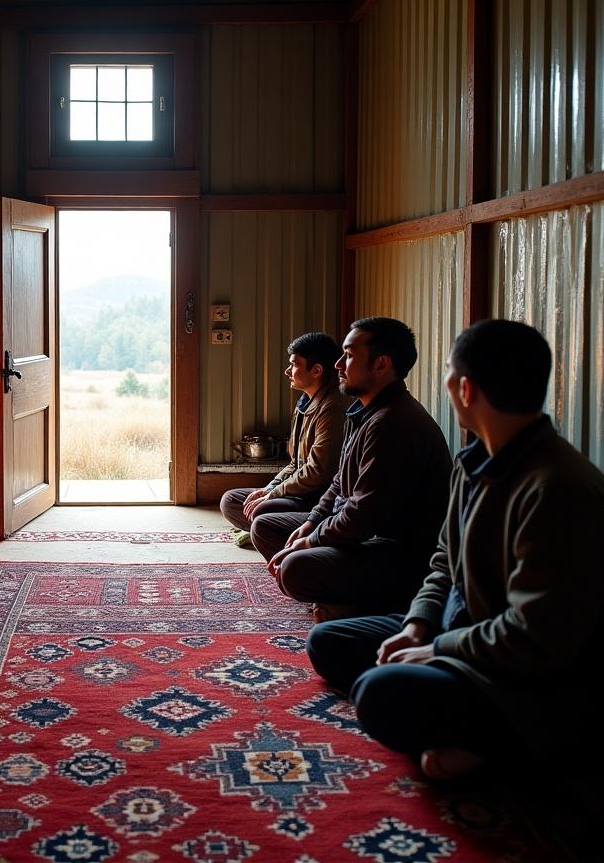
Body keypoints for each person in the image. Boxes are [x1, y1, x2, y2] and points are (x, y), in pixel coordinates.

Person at [306, 319, 604, 779]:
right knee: (329, 642)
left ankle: (511, 750)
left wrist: (437, 648)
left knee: (376, 691)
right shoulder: (475, 461)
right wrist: (417, 625)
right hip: (457, 629)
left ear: (465, 389)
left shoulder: (558, 486)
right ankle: (454, 729)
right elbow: (443, 561)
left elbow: (533, 636)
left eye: (447, 373)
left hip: (515, 672)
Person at [258, 317, 452, 619]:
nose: (338, 364)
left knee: (296, 568)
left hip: (393, 551)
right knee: (266, 527)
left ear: (381, 365)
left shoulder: (392, 423)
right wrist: (312, 521)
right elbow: (338, 481)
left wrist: (312, 540)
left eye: (348, 355)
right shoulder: (365, 410)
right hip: (356, 532)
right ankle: (341, 598)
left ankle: (372, 605)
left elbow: (363, 515)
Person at [220, 332, 349, 548]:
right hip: (297, 491)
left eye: (294, 365)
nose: (287, 371)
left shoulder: (332, 408)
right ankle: (268, 528)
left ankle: (273, 530)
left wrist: (273, 495)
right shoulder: (305, 402)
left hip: (317, 498)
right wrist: (269, 488)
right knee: (231, 501)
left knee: (261, 512)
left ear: (316, 370)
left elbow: (317, 472)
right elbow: (294, 463)